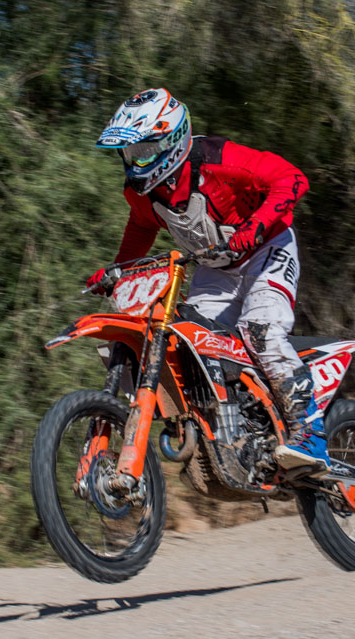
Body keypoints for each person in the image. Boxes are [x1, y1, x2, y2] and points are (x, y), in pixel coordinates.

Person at [88, 88, 330, 471]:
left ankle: (311, 435)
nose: (135, 163)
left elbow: (292, 178)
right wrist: (118, 270)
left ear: (171, 141)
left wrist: (255, 227)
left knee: (261, 332)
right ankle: (238, 427)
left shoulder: (221, 160)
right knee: (190, 341)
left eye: (143, 151)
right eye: (130, 153)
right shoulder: (143, 195)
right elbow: (140, 227)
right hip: (214, 267)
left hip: (267, 250)